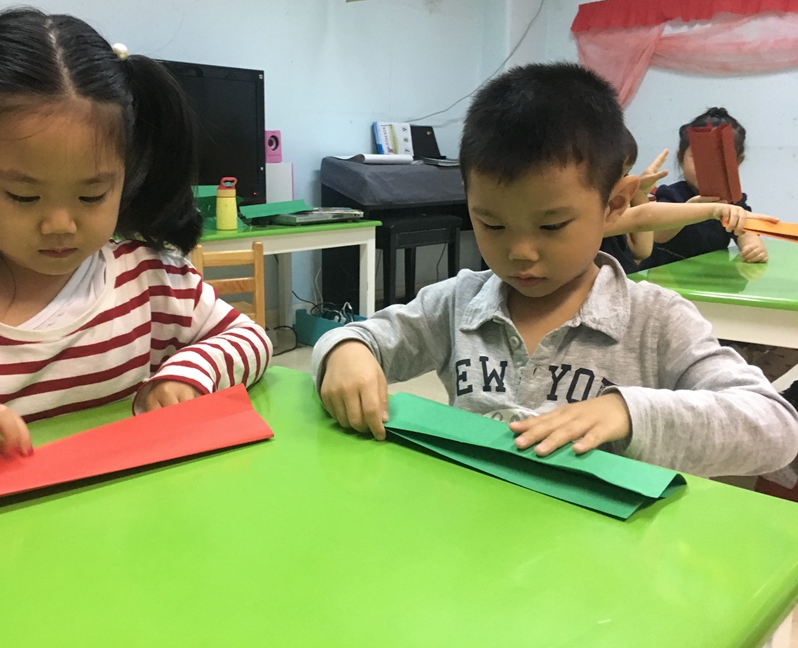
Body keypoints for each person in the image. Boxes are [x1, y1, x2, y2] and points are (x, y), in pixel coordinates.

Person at [311, 63, 798, 479]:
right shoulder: (459, 304)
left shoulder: (655, 320)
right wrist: (347, 351)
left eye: (551, 226)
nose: (521, 252)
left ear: (614, 206)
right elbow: (361, 337)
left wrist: (629, 411)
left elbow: (774, 426)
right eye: (492, 224)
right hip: (472, 531)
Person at [0, 8, 271, 488]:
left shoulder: (149, 281)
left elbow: (248, 338)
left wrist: (186, 374)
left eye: (92, 196)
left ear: (126, 172)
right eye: (23, 196)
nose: (60, 225)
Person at [641, 107, 767, 268]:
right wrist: (690, 210)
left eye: (719, 158)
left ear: (737, 162)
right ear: (680, 159)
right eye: (698, 157)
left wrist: (753, 246)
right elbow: (657, 234)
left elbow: (745, 230)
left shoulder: (732, 200)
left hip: (714, 275)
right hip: (666, 274)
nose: (707, 166)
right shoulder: (672, 195)